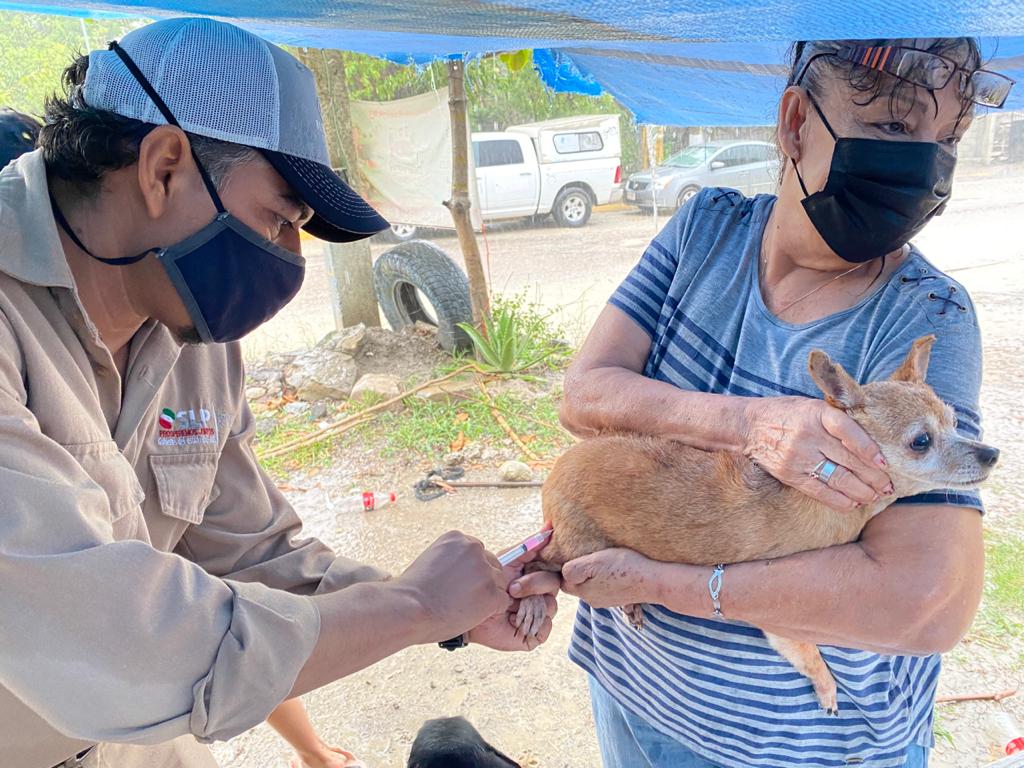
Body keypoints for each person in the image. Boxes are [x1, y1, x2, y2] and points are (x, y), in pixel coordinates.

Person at [0, 18, 559, 768]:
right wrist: (413, 607)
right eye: (278, 217)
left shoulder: (187, 327)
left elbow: (251, 548)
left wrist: (453, 604)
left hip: (141, 742)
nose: (286, 260)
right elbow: (115, 639)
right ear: (165, 165)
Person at [554, 37, 1012, 768]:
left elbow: (926, 604)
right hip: (637, 687)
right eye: (896, 127)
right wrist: (751, 423)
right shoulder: (704, 229)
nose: (927, 166)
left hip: (805, 745)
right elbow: (584, 394)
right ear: (796, 123)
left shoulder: (929, 314)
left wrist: (658, 583)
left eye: (948, 137)